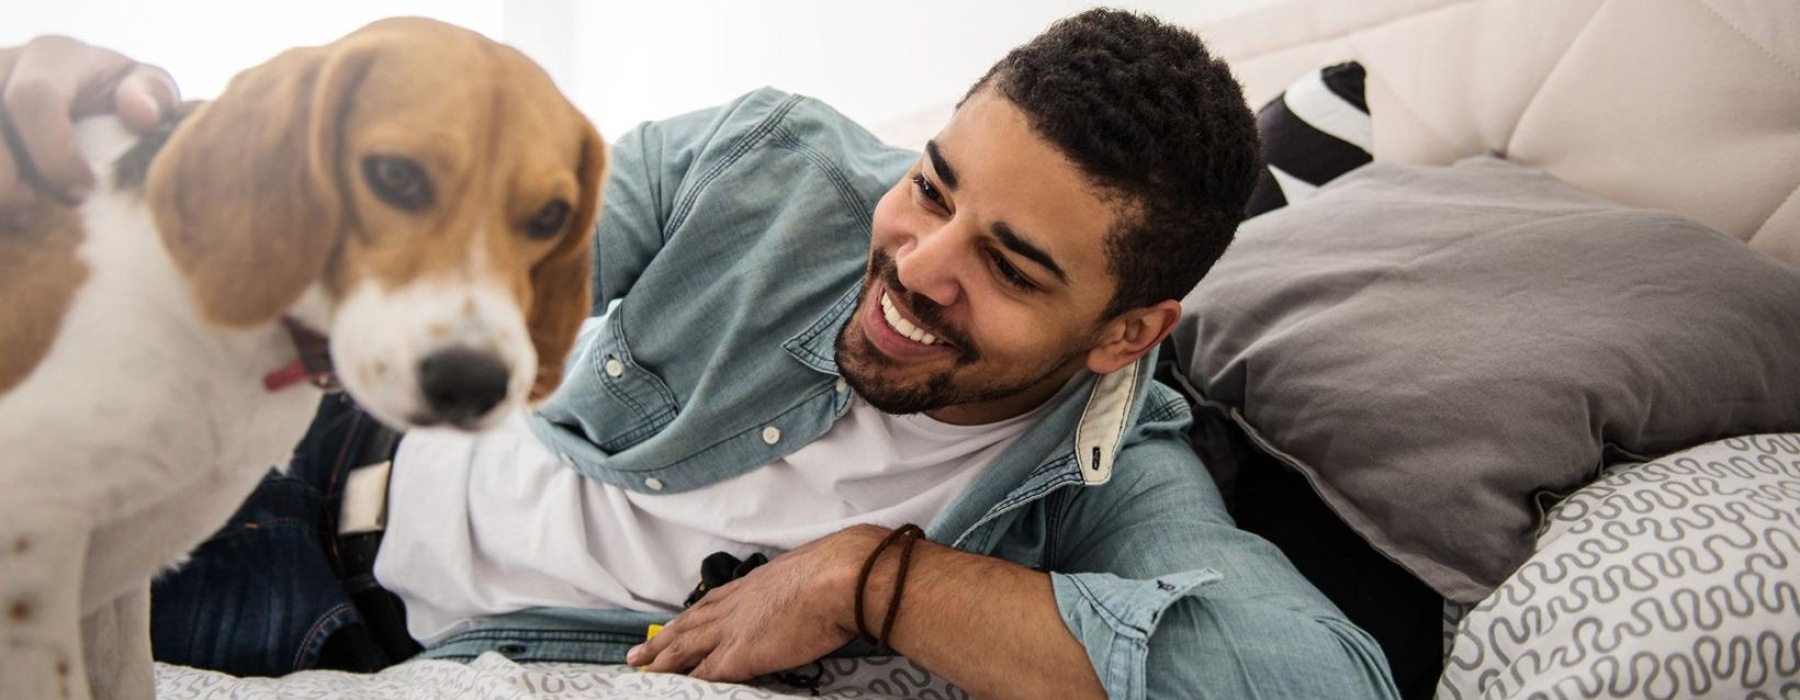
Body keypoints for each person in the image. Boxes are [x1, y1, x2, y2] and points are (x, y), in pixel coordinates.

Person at [0, 10, 1401, 699]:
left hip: (324, 616)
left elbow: (1314, 681)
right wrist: (132, 144)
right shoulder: (766, 163)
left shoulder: (1103, 483)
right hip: (314, 426)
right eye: (931, 184)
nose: (919, 263)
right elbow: (446, 223)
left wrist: (878, 577)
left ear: (1126, 331)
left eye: (1008, 266)